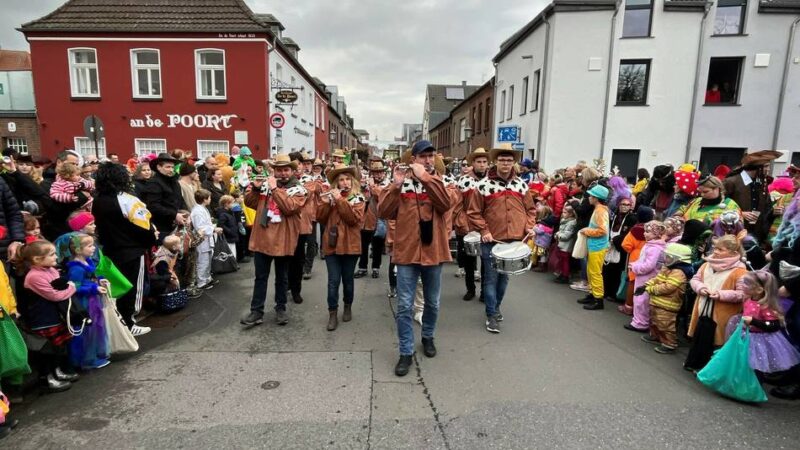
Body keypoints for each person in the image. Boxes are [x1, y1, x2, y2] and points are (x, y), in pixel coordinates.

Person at [378, 140, 452, 376]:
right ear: (414, 159)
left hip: (434, 252)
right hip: (407, 252)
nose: (428, 161)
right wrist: (395, 186)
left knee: (433, 302)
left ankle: (428, 336)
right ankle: (405, 351)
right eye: (423, 157)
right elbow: (383, 212)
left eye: (431, 156)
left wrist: (427, 178)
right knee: (404, 305)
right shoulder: (400, 184)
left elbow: (445, 204)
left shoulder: (440, 181)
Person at [466, 143, 537, 332]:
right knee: (490, 279)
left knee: (504, 279)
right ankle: (491, 314)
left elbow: (531, 210)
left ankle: (495, 307)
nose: (505, 163)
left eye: (509, 160)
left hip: (514, 241)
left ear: (514, 162)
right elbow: (473, 212)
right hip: (492, 240)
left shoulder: (521, 185)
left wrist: (529, 226)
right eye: (502, 160)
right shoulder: (483, 185)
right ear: (495, 161)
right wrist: (484, 231)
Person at [241, 154, 308, 328]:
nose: (283, 173)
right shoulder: (265, 186)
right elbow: (249, 203)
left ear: (292, 171)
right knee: (260, 277)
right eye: (279, 170)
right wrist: (255, 189)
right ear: (274, 170)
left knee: (282, 277)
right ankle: (257, 311)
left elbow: (289, 208)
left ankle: (281, 308)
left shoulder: (299, 189)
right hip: (263, 238)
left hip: (283, 239)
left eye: (286, 170)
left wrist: (275, 189)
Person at [92, 163, 157, 336]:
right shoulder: (127, 199)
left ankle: (121, 322)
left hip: (111, 248)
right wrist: (152, 237)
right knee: (133, 287)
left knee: (119, 286)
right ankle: (129, 323)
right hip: (133, 249)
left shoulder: (97, 200)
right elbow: (143, 227)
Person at [14, 240, 78, 392]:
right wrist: (72, 288)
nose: (56, 257)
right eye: (52, 254)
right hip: (43, 320)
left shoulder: (50, 270)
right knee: (47, 352)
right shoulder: (33, 277)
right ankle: (46, 379)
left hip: (54, 316)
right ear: (37, 259)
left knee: (59, 348)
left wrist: (67, 286)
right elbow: (55, 295)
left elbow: (60, 285)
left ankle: (57, 372)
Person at [686, 235, 748, 370]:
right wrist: (700, 287)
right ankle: (695, 362)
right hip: (703, 307)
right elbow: (695, 279)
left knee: (717, 340)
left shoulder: (740, 271)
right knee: (701, 335)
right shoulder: (706, 264)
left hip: (724, 313)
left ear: (734, 253)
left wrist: (721, 295)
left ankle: (711, 370)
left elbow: (743, 294)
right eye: (715, 248)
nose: (715, 252)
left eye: (721, 249)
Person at [317, 164, 365, 331]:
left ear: (352, 182)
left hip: (351, 246)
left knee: (348, 280)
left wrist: (339, 200)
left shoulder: (358, 198)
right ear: (336, 184)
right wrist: (324, 204)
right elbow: (320, 219)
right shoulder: (330, 197)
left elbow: (352, 219)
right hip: (332, 245)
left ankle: (347, 306)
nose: (344, 183)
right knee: (333, 281)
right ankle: (332, 313)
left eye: (347, 180)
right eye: (341, 180)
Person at [728, 271, 800, 378]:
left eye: (746, 282)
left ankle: (754, 389)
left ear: (759, 289)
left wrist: (754, 321)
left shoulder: (765, 306)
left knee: (756, 367)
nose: (742, 284)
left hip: (760, 341)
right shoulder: (748, 299)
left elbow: (773, 325)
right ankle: (740, 384)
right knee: (742, 362)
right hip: (746, 336)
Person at [62, 233, 110, 370]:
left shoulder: (87, 262)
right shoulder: (75, 268)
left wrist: (99, 280)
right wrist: (94, 288)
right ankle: (87, 359)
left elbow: (89, 277)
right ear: (78, 250)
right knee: (87, 331)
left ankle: (96, 354)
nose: (93, 248)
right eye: (89, 246)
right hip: (84, 302)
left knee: (96, 328)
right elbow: (75, 287)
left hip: (93, 300)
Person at [641, 243, 693, 354]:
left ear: (679, 260)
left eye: (670, 257)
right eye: (666, 256)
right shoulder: (667, 268)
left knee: (665, 324)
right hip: (657, 301)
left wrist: (651, 289)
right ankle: (656, 336)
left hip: (668, 304)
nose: (666, 259)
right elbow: (657, 278)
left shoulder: (679, 272)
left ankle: (669, 344)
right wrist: (647, 284)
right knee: (655, 320)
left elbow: (669, 287)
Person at [723, 150, 783, 244]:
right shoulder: (731, 182)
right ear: (757, 168)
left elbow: (766, 207)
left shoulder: (761, 182)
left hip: (756, 233)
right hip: (735, 232)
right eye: (766, 166)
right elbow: (721, 205)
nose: (768, 169)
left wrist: (773, 211)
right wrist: (740, 213)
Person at [454, 148, 489, 300]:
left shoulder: (491, 181)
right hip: (468, 227)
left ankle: (484, 292)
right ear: (473, 163)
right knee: (469, 260)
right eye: (479, 162)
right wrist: (463, 225)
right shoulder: (464, 181)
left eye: (484, 162)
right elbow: (457, 206)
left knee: (487, 261)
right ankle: (470, 289)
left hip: (487, 227)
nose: (482, 165)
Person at [625, 221, 667, 330]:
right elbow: (643, 260)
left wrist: (635, 267)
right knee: (640, 299)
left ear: (656, 234)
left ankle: (641, 323)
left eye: (648, 232)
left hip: (647, 278)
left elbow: (649, 265)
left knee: (642, 301)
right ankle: (639, 321)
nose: (644, 234)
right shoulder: (651, 245)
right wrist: (635, 264)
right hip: (643, 277)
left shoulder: (655, 248)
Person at [141, 153, 188, 240]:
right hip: (161, 227)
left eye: (172, 167)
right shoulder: (153, 183)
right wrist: (174, 215)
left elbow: (180, 200)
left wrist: (185, 214)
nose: (171, 170)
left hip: (177, 225)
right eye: (168, 167)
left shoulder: (174, 182)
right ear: (159, 167)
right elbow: (153, 206)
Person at [356, 160, 389, 279]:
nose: (378, 175)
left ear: (384, 173)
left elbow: (382, 196)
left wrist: (371, 186)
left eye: (380, 172)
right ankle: (362, 268)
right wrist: (362, 187)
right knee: (363, 246)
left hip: (380, 219)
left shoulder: (387, 184)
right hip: (366, 220)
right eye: (375, 173)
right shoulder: (368, 183)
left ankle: (376, 268)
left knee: (377, 246)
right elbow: (360, 198)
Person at [603, 197, 636, 302]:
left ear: (631, 206)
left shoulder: (632, 218)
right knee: (607, 268)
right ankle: (605, 290)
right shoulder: (614, 216)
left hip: (620, 247)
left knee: (617, 271)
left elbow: (628, 233)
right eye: (622, 204)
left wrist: (616, 240)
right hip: (610, 244)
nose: (624, 207)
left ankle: (614, 294)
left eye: (627, 205)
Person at [191, 189, 222, 290]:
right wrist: (214, 229)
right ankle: (201, 282)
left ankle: (207, 278)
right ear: (205, 199)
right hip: (202, 239)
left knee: (208, 259)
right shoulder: (197, 211)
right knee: (203, 260)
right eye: (209, 198)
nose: (210, 199)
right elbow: (200, 227)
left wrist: (211, 225)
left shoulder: (202, 209)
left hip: (206, 239)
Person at [554, 204, 577, 283]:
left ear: (570, 214)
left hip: (566, 245)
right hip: (562, 244)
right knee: (562, 260)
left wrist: (558, 235)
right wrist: (557, 234)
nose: (563, 214)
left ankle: (565, 276)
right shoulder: (565, 221)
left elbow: (567, 235)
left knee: (565, 261)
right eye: (563, 212)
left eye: (565, 213)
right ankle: (561, 274)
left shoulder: (571, 223)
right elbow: (562, 231)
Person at [217, 195, 240, 260]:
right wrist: (230, 231)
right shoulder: (223, 214)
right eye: (232, 203)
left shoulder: (230, 212)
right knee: (230, 253)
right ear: (226, 204)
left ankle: (233, 263)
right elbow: (221, 225)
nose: (233, 204)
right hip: (228, 237)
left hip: (232, 236)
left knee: (233, 253)